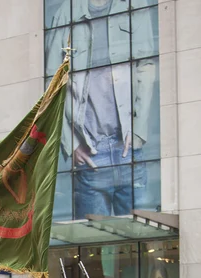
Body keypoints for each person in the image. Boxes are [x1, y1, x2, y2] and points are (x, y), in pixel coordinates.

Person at [46, 0, 156, 217]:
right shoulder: (65, 13)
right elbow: (52, 84)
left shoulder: (134, 5)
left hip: (128, 148)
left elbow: (146, 67)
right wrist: (71, 143)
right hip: (91, 153)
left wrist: (138, 130)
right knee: (93, 246)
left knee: (143, 240)